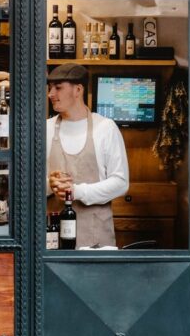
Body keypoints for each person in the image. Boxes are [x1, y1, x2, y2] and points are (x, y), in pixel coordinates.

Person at [47, 62, 129, 248]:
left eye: (58, 88)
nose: (51, 94)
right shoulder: (46, 128)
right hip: (52, 239)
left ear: (78, 90)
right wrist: (50, 184)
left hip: (95, 239)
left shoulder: (105, 128)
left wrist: (77, 191)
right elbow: (30, 184)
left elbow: (120, 182)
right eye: (50, 88)